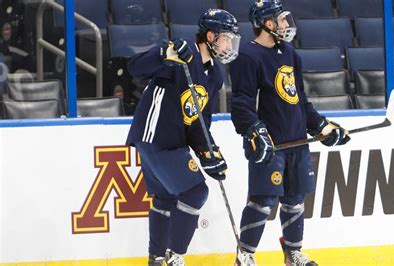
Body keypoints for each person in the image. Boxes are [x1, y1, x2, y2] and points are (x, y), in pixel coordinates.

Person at [229, 0, 350, 265]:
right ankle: (245, 255)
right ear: (267, 24)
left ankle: (293, 253)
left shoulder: (290, 54)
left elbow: (300, 100)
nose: (286, 24)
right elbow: (241, 104)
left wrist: (321, 126)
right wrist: (253, 131)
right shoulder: (248, 57)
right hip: (269, 145)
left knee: (294, 200)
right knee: (263, 200)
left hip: (296, 143)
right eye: (280, 20)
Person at [125, 9, 240, 266]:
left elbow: (199, 123)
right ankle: (174, 256)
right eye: (227, 38)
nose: (230, 44)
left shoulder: (215, 75)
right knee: (196, 191)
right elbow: (135, 67)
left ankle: (156, 259)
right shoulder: (181, 52)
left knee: (165, 199)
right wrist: (164, 54)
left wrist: (209, 152)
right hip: (154, 137)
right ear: (210, 36)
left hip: (173, 143)